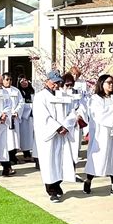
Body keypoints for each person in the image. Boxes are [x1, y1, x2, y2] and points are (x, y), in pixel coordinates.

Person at [34, 71, 79, 203]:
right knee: (49, 161)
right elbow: (42, 116)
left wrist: (66, 126)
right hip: (50, 134)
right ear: (47, 81)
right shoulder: (40, 97)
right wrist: (57, 127)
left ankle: (58, 184)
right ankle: (51, 190)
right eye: (53, 82)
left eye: (58, 82)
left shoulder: (62, 95)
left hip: (62, 134)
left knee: (61, 161)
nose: (56, 84)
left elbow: (72, 111)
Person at [84, 74, 113, 198]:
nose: (111, 85)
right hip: (101, 134)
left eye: (112, 82)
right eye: (108, 82)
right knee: (98, 159)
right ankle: (88, 180)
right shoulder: (95, 99)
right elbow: (98, 115)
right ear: (101, 83)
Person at [2, 73, 24, 164]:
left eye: (10, 79)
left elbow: (21, 102)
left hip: (15, 118)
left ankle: (13, 155)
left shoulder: (16, 90)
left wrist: (17, 112)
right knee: (7, 138)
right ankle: (7, 156)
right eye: (7, 79)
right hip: (6, 118)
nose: (9, 81)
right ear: (3, 80)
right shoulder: (0, 91)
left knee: (15, 138)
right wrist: (7, 113)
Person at [17, 75, 35, 162]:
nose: (24, 83)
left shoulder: (32, 91)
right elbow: (21, 104)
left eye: (25, 80)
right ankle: (25, 152)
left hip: (32, 116)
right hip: (24, 117)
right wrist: (30, 107)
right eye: (22, 81)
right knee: (25, 135)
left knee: (31, 135)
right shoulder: (19, 92)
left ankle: (31, 152)